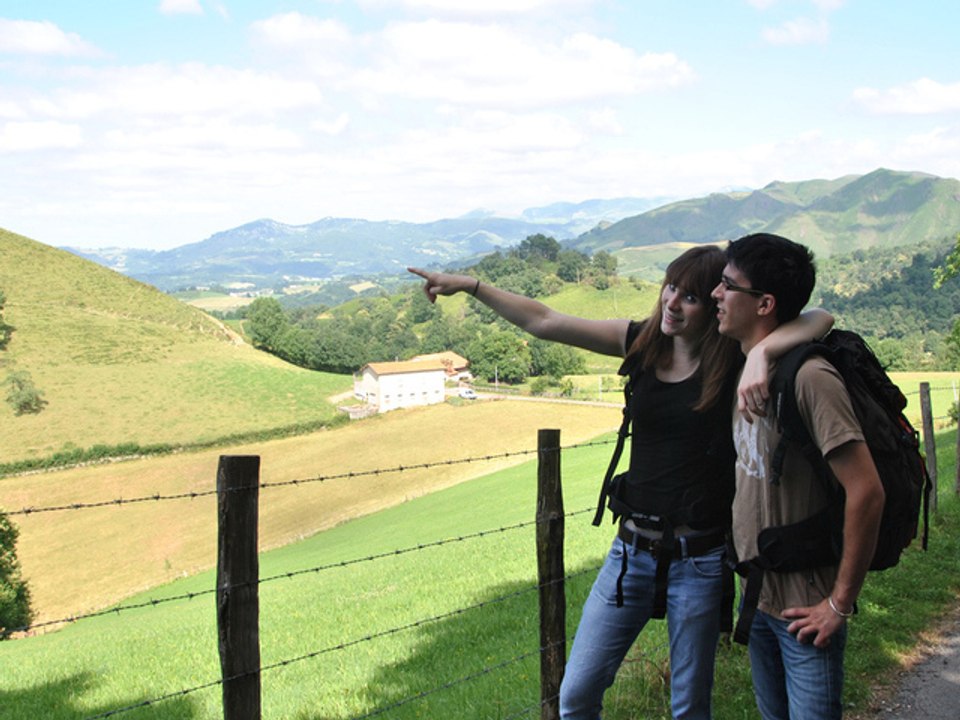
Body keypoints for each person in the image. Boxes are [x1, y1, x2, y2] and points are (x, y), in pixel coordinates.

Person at [410, 246, 832, 720]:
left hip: (701, 560)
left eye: (691, 297)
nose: (672, 303)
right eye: (671, 287)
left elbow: (821, 317)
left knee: (689, 708)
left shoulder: (734, 359)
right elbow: (545, 320)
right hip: (630, 553)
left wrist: (763, 353)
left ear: (713, 305)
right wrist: (471, 286)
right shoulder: (640, 343)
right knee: (577, 695)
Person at [711, 233, 885, 720]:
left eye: (728, 285)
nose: (715, 295)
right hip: (759, 596)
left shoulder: (809, 379)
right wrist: (758, 354)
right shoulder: (740, 360)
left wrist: (839, 604)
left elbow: (867, 490)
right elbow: (816, 316)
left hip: (806, 610)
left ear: (765, 303)